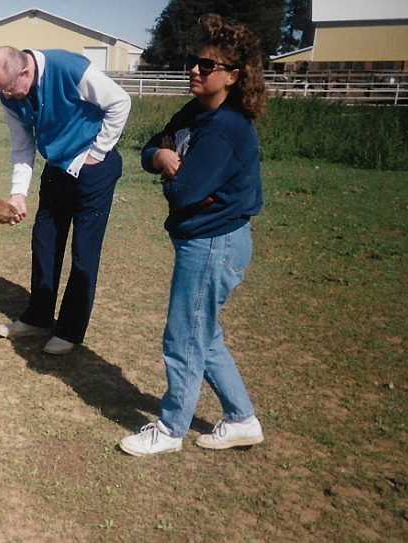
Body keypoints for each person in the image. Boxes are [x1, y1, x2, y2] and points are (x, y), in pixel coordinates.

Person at [119, 14, 266, 455]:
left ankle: (170, 429)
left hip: (215, 242)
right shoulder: (192, 113)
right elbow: (149, 148)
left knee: (183, 335)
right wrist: (162, 156)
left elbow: (184, 190)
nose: (195, 70)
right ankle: (242, 419)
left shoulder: (227, 130)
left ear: (233, 77)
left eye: (208, 65)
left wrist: (168, 171)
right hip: (201, 239)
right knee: (204, 333)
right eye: (194, 61)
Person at [0, 46, 131, 355]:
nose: (7, 97)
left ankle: (69, 330)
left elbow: (120, 101)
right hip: (57, 168)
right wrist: (18, 193)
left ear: (25, 72)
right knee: (45, 241)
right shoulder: (9, 95)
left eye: (9, 89)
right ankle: (38, 318)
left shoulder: (67, 68)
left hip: (95, 168)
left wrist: (97, 152)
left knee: (83, 251)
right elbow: (23, 145)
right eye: (0, 91)